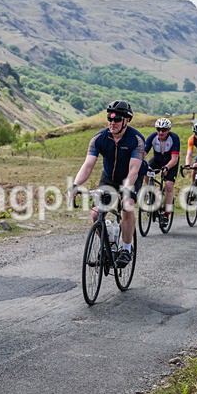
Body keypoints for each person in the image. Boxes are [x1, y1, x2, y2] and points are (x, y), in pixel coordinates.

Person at [70, 101, 145, 268]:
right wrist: (75, 185)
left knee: (127, 205)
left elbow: (133, 170)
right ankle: (109, 245)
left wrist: (126, 190)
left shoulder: (136, 140)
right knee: (96, 215)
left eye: (117, 119)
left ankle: (126, 249)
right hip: (109, 178)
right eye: (109, 119)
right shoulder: (99, 138)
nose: (112, 122)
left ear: (126, 120)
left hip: (132, 176)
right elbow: (88, 165)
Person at [144, 117, 181, 229]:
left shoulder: (174, 138)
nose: (160, 132)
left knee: (169, 185)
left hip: (171, 162)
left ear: (169, 130)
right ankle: (152, 193)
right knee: (146, 171)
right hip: (157, 159)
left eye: (163, 130)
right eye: (158, 129)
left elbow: (175, 158)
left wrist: (167, 167)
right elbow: (143, 154)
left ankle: (166, 214)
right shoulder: (152, 137)